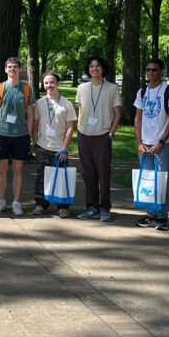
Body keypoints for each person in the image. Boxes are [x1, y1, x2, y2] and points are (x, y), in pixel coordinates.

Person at [134, 58, 169, 231]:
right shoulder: (142, 91)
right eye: (148, 70)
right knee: (148, 180)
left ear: (161, 72)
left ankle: (162, 217)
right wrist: (139, 142)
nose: (151, 73)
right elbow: (138, 118)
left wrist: (161, 141)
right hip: (144, 144)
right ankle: (151, 215)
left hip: (162, 144)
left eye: (154, 70)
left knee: (162, 180)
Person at [75, 55, 121, 222]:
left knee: (103, 173)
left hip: (102, 135)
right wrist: (79, 129)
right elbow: (81, 110)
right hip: (84, 135)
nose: (94, 69)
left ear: (103, 69)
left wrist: (111, 133)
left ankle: (105, 208)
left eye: (97, 66)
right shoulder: (82, 88)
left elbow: (117, 114)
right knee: (88, 174)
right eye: (91, 66)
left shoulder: (112, 88)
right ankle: (91, 206)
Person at [0, 57, 35, 216]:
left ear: (20, 69)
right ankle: (1, 200)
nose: (12, 69)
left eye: (15, 67)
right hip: (1, 134)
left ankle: (16, 202)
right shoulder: (0, 88)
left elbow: (30, 113)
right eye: (10, 67)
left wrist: (29, 133)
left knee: (18, 169)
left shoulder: (27, 89)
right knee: (1, 169)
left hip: (20, 135)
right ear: (5, 69)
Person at [32, 71, 76, 217]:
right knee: (41, 177)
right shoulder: (39, 103)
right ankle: (40, 204)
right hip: (43, 146)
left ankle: (63, 206)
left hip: (59, 149)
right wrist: (35, 141)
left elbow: (70, 127)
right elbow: (35, 124)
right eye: (46, 83)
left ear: (57, 84)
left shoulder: (66, 104)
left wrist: (65, 148)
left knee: (61, 177)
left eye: (52, 82)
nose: (49, 85)